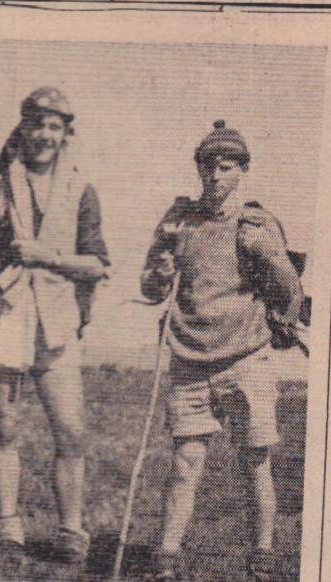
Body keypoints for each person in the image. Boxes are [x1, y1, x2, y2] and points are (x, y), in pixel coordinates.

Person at [141, 120, 303, 582]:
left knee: (255, 461)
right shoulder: (178, 222)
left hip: (246, 358)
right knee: (185, 464)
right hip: (189, 359)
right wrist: (160, 268)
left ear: (243, 170)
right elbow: (150, 289)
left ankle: (263, 557)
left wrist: (274, 271)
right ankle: (165, 562)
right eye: (207, 167)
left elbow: (290, 291)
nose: (214, 177)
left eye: (225, 167)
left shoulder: (255, 223)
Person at [0, 87, 110, 564]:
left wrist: (50, 257)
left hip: (59, 325)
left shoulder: (81, 191)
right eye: (38, 124)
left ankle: (71, 530)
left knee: (70, 431)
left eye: (55, 126)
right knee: (4, 428)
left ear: (66, 134)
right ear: (23, 128)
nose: (45, 135)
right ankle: (9, 528)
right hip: (8, 317)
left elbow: (98, 265)